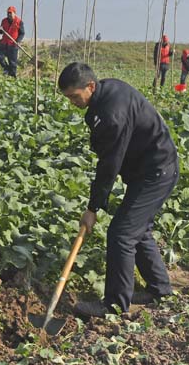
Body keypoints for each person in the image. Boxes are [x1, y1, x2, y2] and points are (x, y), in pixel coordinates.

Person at [58, 62, 177, 317]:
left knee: (121, 233)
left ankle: (114, 305)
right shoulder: (106, 91)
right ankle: (160, 290)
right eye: (68, 98)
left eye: (74, 97)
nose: (72, 102)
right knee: (137, 229)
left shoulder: (113, 114)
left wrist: (93, 208)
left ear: (90, 86)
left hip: (157, 172)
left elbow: (109, 165)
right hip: (145, 170)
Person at [0, 6, 24, 77]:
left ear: (14, 13)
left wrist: (18, 40)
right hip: (4, 43)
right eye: (8, 13)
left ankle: (13, 76)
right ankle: (6, 68)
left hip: (13, 45)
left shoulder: (19, 22)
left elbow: (22, 33)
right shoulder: (4, 21)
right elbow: (1, 31)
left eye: (10, 13)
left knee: (12, 63)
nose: (9, 14)